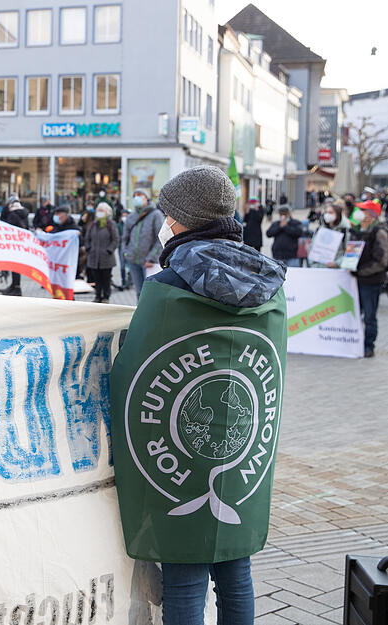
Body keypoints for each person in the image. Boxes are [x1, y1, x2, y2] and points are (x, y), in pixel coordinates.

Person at [111, 165, 287, 625]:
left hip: (180, 463)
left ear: (183, 218)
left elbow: (134, 367)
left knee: (185, 575)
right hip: (239, 456)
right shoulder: (267, 279)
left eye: (167, 213)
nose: (163, 221)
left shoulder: (169, 286)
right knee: (236, 573)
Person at [349, 201, 388, 358]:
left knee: (370, 316)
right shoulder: (356, 230)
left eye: (363, 210)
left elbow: (382, 261)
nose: (358, 213)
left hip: (370, 281)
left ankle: (368, 346)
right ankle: (355, 343)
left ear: (371, 215)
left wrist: (362, 272)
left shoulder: (379, 232)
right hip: (355, 280)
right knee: (355, 314)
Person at [122, 189, 165, 297]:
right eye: (135, 196)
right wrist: (126, 253)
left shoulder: (156, 215)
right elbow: (125, 238)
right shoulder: (131, 217)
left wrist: (151, 258)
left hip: (149, 262)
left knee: (149, 293)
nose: (137, 198)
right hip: (133, 260)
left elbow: (160, 238)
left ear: (147, 198)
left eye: (140, 195)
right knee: (139, 292)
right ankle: (139, 308)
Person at [83, 201, 119, 303]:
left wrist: (109, 250)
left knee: (106, 279)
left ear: (107, 212)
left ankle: (106, 297)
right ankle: (98, 295)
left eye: (102, 211)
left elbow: (115, 239)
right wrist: (88, 248)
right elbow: (87, 238)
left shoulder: (111, 224)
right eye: (98, 210)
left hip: (106, 257)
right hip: (94, 257)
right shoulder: (93, 224)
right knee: (97, 278)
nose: (99, 212)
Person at [0, 199, 31, 296]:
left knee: (15, 267)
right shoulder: (24, 214)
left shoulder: (13, 215)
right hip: (21, 243)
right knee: (16, 266)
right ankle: (14, 285)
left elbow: (7, 227)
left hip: (13, 243)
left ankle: (16, 288)